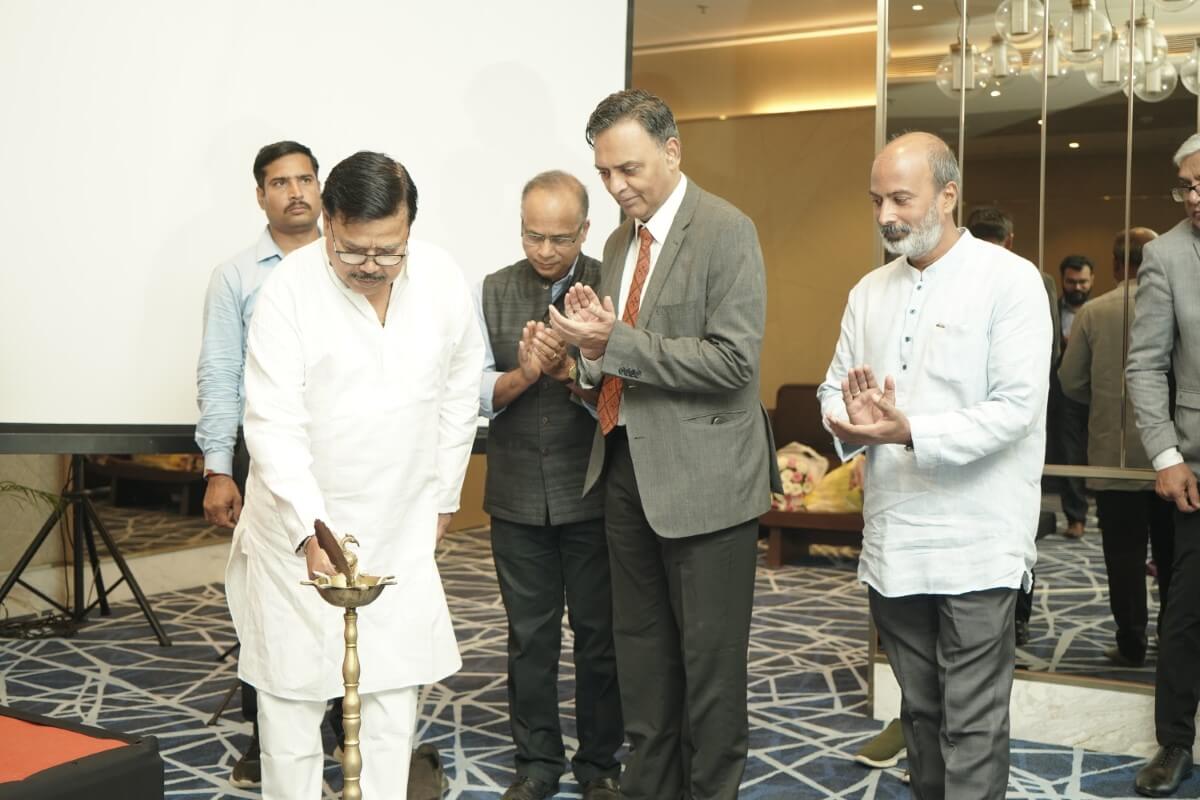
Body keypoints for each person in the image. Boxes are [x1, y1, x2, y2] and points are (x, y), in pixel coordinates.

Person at [225, 151, 483, 799]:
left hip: (398, 517)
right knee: (290, 700)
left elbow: (459, 395)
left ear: (410, 228)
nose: (370, 265)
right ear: (328, 223)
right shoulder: (289, 290)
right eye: (352, 250)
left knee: (392, 694)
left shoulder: (442, 279)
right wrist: (309, 528)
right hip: (301, 527)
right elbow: (273, 423)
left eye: (388, 251)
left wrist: (443, 497)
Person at [548, 88, 779, 800]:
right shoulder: (619, 243)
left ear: (672, 151)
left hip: (708, 482)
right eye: (604, 173)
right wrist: (588, 352)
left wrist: (614, 340)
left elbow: (734, 363)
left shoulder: (726, 230)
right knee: (642, 660)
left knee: (710, 671)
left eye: (629, 169)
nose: (616, 186)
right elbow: (618, 356)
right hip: (623, 468)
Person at [819, 132, 1050, 799]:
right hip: (896, 537)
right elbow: (835, 387)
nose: (886, 215)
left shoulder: (1010, 281)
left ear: (948, 196)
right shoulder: (869, 291)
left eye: (901, 199)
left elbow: (1016, 409)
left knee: (972, 718)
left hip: (979, 536)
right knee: (920, 711)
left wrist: (910, 429)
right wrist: (848, 416)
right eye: (877, 201)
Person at [475, 171, 622, 800]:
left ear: (585, 230)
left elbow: (624, 395)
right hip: (514, 494)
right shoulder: (494, 289)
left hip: (593, 491)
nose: (545, 250)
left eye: (560, 239)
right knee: (529, 638)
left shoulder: (613, 283)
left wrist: (568, 373)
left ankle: (600, 764)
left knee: (599, 637)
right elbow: (477, 390)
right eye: (533, 236)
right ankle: (536, 762)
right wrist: (526, 373)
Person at [194, 140, 327, 787]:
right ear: (260, 195)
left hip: (337, 448)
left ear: (321, 186)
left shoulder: (347, 259)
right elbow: (221, 372)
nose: (295, 192)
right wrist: (219, 467)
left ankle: (343, 725)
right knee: (269, 595)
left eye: (305, 179)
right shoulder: (237, 276)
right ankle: (264, 734)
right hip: (267, 449)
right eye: (280, 182)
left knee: (341, 578)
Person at [1059, 227, 1174, 670]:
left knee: (1123, 557)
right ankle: (1174, 640)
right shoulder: (1179, 304)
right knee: (1173, 556)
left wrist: (1108, 406)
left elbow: (1071, 382)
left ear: (1113, 264)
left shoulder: (1094, 311)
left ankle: (1131, 642)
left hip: (1114, 454)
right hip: (1174, 456)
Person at [1127, 133, 1200, 798]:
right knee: (1186, 614)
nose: (1194, 197)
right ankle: (1174, 741)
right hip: (1197, 468)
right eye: (1186, 186)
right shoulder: (1166, 255)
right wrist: (1167, 455)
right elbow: (1146, 365)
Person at [965, 205, 1058, 647]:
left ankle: (1014, 616)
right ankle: (1014, 620)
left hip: (1015, 416)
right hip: (972, 421)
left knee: (1014, 524)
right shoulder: (955, 279)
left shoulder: (1031, 281)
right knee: (1009, 526)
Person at [1052, 254, 1096, 538]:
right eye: (1071, 282)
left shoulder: (1099, 310)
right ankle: (1075, 517)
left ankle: (1107, 515)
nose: (1077, 287)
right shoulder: (1052, 311)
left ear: (1092, 280)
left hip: (1099, 391)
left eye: (1082, 282)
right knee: (1068, 454)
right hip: (1063, 393)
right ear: (1062, 280)